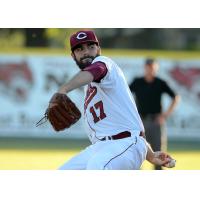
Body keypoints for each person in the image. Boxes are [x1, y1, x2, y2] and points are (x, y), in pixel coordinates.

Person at [55, 30, 174, 170]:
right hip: (103, 147)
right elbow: (124, 124)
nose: (86, 52)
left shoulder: (104, 63)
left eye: (91, 47)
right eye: (80, 49)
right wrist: (150, 155)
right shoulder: (90, 87)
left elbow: (97, 70)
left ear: (99, 49)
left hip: (125, 144)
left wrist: (64, 89)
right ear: (73, 55)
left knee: (97, 167)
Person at [129, 58, 180, 170]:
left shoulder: (160, 82)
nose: (150, 70)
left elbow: (175, 97)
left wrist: (165, 115)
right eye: (148, 68)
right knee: (138, 155)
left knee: (159, 157)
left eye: (152, 68)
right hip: (140, 123)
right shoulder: (137, 82)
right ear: (144, 68)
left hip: (156, 122)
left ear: (156, 68)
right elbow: (125, 96)